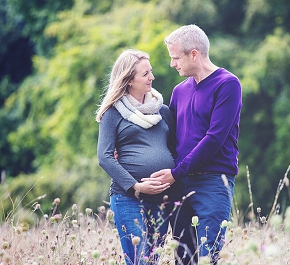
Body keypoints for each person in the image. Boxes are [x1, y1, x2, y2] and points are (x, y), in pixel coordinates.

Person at [144, 24, 242, 264]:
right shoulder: (179, 90)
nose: (172, 64)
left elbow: (214, 138)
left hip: (213, 183)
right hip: (180, 185)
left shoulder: (228, 84)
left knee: (208, 256)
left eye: (176, 57)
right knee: (183, 258)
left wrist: (176, 172)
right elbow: (168, 136)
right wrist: (123, 148)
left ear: (194, 54)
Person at [97, 49, 184, 265]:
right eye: (145, 74)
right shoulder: (113, 113)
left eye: (151, 72)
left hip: (163, 198)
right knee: (138, 261)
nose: (152, 77)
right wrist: (136, 186)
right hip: (128, 197)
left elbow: (175, 150)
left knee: (152, 260)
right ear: (128, 80)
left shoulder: (162, 111)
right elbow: (105, 157)